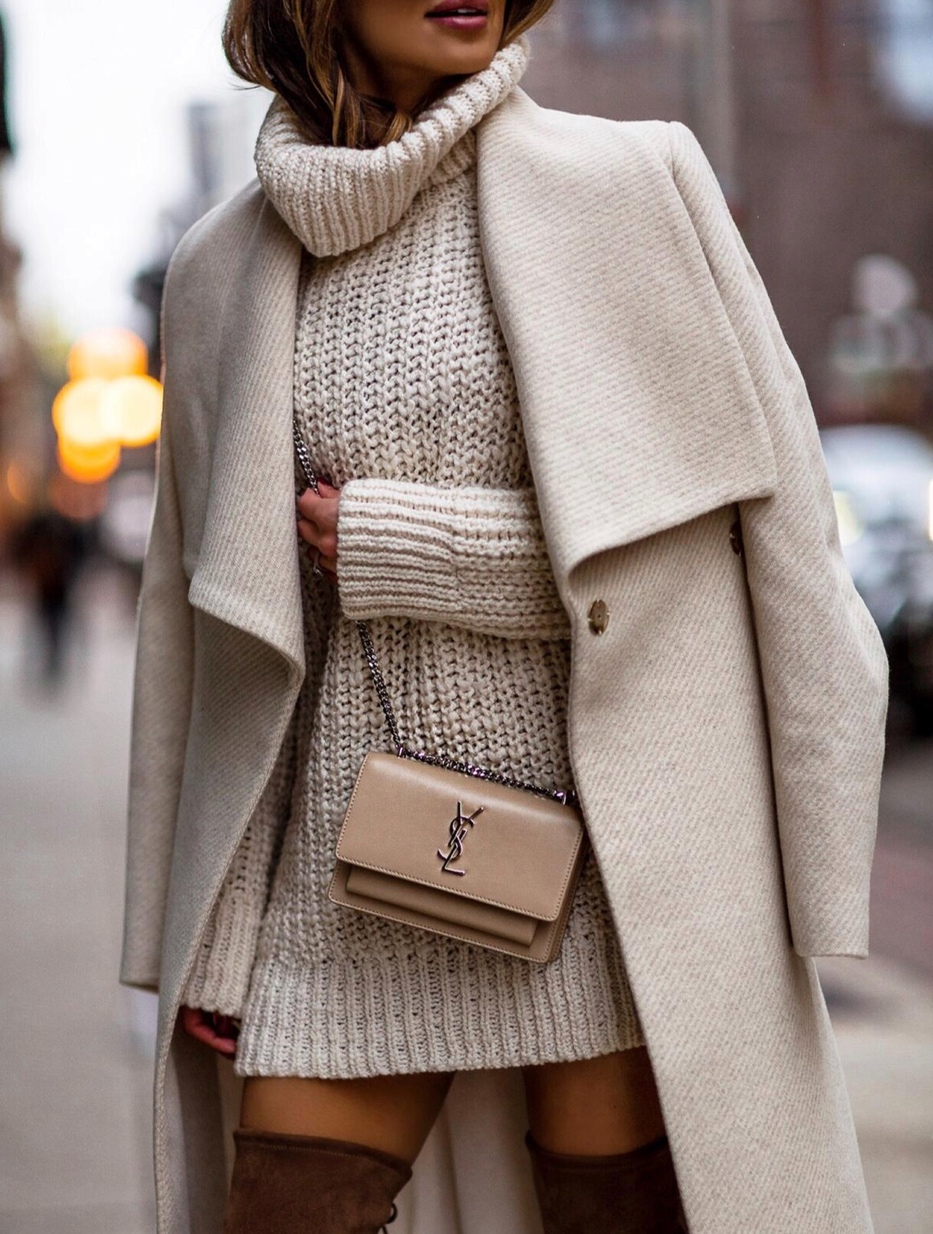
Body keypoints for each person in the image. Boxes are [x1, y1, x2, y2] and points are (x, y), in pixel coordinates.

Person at [119, 2, 889, 1232]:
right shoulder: (222, 266)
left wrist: (399, 546)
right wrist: (193, 934)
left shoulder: (632, 185)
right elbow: (197, 625)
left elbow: (757, 546)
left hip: (619, 884)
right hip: (340, 888)